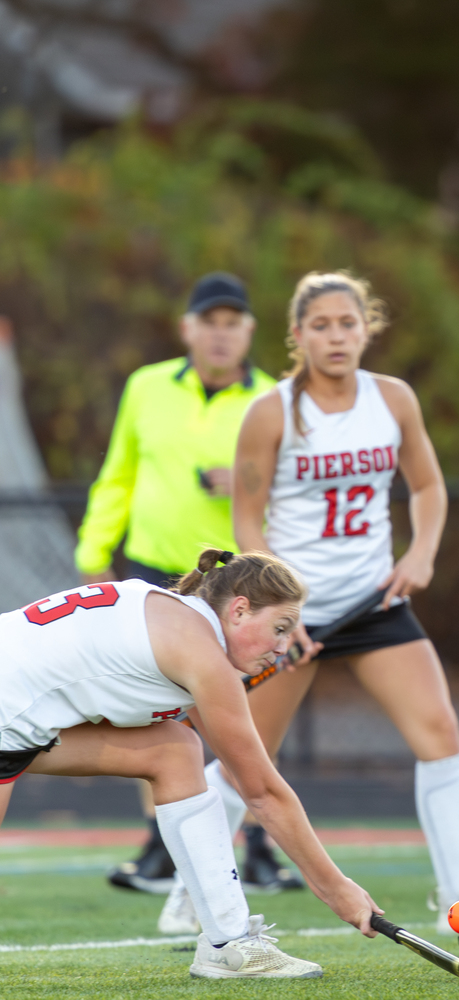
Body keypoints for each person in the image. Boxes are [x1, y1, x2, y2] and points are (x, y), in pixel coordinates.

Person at [157, 271, 459, 936]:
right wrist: (281, 607)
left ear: (367, 329)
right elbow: (246, 518)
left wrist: (421, 552)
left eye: (348, 323)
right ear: (298, 335)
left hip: (375, 603)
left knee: (442, 736)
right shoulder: (271, 411)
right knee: (250, 756)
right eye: (321, 325)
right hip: (294, 614)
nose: (336, 337)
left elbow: (427, 485)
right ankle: (192, 893)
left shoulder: (392, 399)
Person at [0, 549, 380, 978]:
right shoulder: (202, 655)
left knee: (175, 750)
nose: (282, 646)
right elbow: (262, 792)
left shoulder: (185, 624)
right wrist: (334, 887)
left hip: (18, 722)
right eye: (279, 628)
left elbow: (238, 769)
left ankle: (228, 945)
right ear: (239, 610)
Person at [75, 272, 298, 895]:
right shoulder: (147, 387)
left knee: (246, 717)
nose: (220, 334)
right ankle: (162, 849)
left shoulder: (273, 398)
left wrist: (251, 483)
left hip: (240, 583)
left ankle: (254, 846)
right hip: (156, 577)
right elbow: (117, 475)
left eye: (233, 323)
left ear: (250, 331)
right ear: (188, 328)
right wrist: (95, 555)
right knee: (156, 715)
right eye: (210, 321)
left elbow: (300, 491)